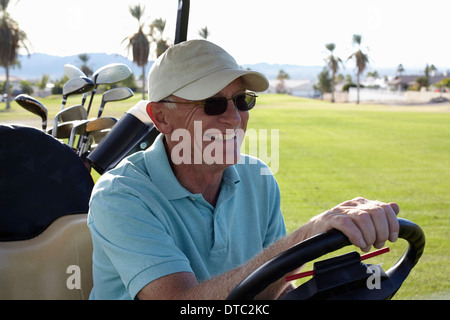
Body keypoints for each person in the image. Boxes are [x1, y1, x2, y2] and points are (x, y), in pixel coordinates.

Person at [87, 40, 399, 300]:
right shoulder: (121, 195)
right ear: (162, 118)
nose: (235, 119)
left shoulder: (258, 179)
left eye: (242, 100)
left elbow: (269, 290)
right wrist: (304, 237)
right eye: (212, 104)